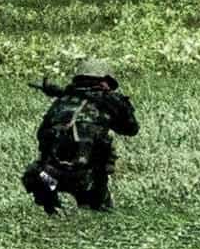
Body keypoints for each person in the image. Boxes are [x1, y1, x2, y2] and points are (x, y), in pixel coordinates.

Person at [25, 68, 136, 216]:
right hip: (84, 177)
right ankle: (93, 203)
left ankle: (55, 211)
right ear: (103, 82)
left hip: (47, 176)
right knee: (100, 212)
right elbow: (131, 129)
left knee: (37, 174)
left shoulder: (62, 102)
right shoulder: (110, 100)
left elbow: (41, 135)